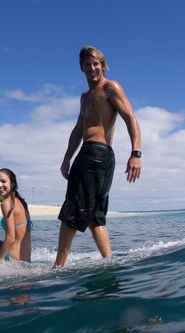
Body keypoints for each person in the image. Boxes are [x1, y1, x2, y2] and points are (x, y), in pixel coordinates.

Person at [53, 46, 142, 268]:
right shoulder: (84, 97)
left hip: (95, 154)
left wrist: (136, 153)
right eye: (87, 64)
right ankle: (109, 263)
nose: (92, 68)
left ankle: (57, 267)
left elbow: (130, 117)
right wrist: (66, 158)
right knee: (95, 216)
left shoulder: (110, 87)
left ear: (103, 65)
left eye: (96, 63)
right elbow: (78, 129)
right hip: (94, 156)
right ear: (81, 68)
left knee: (71, 210)